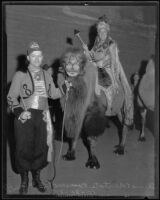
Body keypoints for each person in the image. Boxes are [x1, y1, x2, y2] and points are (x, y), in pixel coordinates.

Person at [7, 41, 66, 194]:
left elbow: (53, 94)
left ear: (42, 57)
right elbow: (11, 97)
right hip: (25, 117)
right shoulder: (20, 74)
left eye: (39, 56)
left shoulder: (46, 74)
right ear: (28, 57)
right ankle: (24, 180)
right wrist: (20, 112)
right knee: (23, 149)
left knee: (41, 148)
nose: (37, 59)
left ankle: (36, 178)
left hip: (43, 117)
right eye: (34, 56)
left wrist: (66, 86)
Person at [83, 15, 133, 124]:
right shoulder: (97, 42)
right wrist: (87, 51)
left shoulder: (111, 44)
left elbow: (113, 59)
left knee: (104, 82)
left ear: (107, 30)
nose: (101, 32)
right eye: (99, 30)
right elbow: (91, 56)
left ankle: (110, 105)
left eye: (103, 30)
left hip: (106, 69)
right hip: (94, 67)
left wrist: (102, 63)